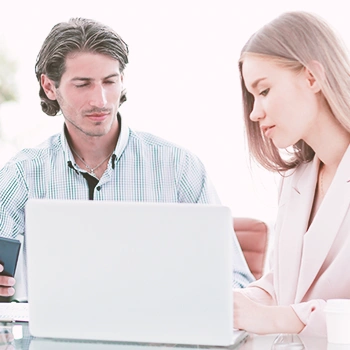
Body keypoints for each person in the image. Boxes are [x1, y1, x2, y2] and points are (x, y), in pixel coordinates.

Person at [0, 18, 254, 300]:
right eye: (83, 84)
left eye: (110, 82)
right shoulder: (21, 175)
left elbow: (236, 279)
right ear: (49, 87)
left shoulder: (178, 168)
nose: (101, 100)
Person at [233, 11, 350, 336]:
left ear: (312, 77)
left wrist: (279, 319)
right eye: (252, 97)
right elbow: (286, 284)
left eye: (265, 91)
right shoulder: (296, 180)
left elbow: (290, 311)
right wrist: (235, 303)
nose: (255, 113)